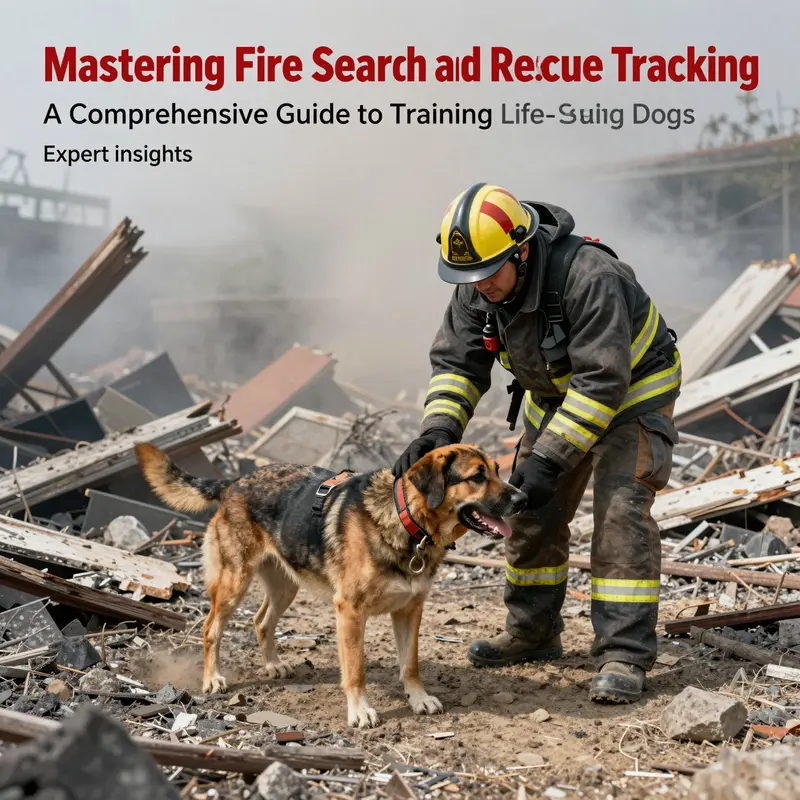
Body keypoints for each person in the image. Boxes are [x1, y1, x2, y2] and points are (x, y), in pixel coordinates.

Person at [392, 182, 682, 703]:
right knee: (522, 510)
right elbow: (457, 366)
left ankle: (623, 653)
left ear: (521, 250)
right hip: (558, 398)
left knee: (620, 515)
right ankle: (533, 632)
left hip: (632, 396)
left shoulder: (590, 276)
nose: (478, 286)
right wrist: (439, 430)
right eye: (467, 276)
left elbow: (601, 383)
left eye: (487, 273)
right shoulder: (477, 288)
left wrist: (550, 457)